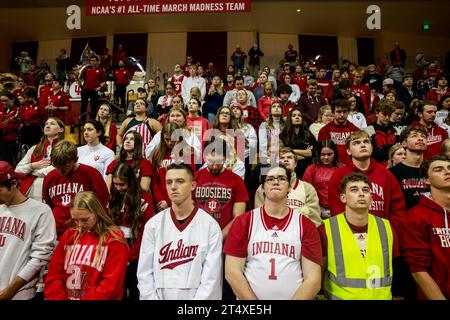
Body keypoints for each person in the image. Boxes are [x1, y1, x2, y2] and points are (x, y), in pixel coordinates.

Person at [224, 165, 322, 300]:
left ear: (289, 187)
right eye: (270, 179)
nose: (276, 182)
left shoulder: (305, 225)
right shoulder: (244, 221)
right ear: (263, 187)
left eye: (282, 178)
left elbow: (313, 279)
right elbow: (232, 272)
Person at [137, 163, 223, 300]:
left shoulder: (210, 226)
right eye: (169, 182)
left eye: (180, 181)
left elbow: (211, 280)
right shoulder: (153, 225)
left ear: (193, 185)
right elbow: (144, 274)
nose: (173, 187)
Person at [319, 173, 398, 300]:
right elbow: (319, 272)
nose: (361, 193)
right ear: (343, 198)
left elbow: (392, 268)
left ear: (371, 198)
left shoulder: (386, 227)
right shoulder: (327, 228)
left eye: (365, 190)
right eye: (354, 189)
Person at [44, 191, 129, 300]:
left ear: (97, 212)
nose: (80, 225)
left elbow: (110, 286)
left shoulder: (114, 239)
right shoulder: (69, 235)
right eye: (75, 220)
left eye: (84, 219)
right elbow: (54, 276)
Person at [0, 161, 56, 300]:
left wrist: (10, 290)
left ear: (13, 183)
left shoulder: (40, 211)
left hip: (19, 294)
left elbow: (40, 257)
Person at [327, 130, 405, 230]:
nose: (363, 145)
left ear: (371, 147)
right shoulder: (339, 175)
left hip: (381, 232)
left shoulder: (386, 174)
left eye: (366, 142)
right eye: (356, 143)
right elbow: (336, 207)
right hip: (349, 233)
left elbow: (398, 207)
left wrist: (391, 229)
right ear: (348, 151)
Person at [399, 155, 450, 299]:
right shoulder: (415, 217)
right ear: (426, 180)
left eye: (449, 168)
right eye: (439, 169)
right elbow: (418, 270)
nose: (447, 172)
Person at [42, 140, 110, 239]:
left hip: (86, 232)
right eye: (57, 166)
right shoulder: (50, 177)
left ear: (76, 159)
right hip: (57, 233)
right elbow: (48, 205)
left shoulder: (91, 174)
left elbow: (102, 204)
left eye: (65, 166)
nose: (61, 170)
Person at [109, 163, 154, 300]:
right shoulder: (113, 196)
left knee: (135, 287)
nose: (119, 188)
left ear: (131, 181)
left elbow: (146, 232)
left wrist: (130, 256)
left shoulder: (144, 198)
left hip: (137, 247)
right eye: (115, 184)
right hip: (116, 245)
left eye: (122, 184)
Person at [254, 147, 321, 226]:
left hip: (300, 233)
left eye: (289, 157)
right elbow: (259, 218)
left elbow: (315, 221)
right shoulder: (264, 187)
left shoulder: (308, 188)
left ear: (295, 164)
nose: (285, 160)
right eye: (282, 158)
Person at [195, 139, 248, 238]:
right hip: (197, 235)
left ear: (225, 158)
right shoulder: (194, 178)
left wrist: (219, 237)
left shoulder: (237, 181)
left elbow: (238, 217)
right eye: (211, 161)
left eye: (218, 161)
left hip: (225, 237)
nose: (215, 166)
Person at [15, 117, 65, 202]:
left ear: (61, 129)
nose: (48, 126)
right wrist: (33, 165)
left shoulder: (65, 148)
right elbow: (17, 170)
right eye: (46, 124)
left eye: (52, 124)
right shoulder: (34, 148)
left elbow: (59, 168)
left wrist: (32, 172)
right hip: (29, 190)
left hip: (53, 189)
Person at [389, 125, 429, 209]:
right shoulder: (392, 173)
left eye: (423, 136)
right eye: (414, 136)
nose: (420, 139)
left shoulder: (431, 170)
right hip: (404, 219)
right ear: (404, 143)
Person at [303, 140, 344, 219]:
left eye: (329, 154)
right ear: (318, 154)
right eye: (323, 154)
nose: (326, 157)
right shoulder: (311, 169)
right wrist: (320, 209)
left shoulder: (342, 168)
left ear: (335, 153)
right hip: (317, 210)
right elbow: (307, 193)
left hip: (340, 208)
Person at [318, 99, 359, 165]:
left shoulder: (355, 130)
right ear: (333, 112)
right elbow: (322, 153)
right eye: (339, 112)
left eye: (345, 111)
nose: (342, 115)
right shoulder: (325, 130)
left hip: (351, 166)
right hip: (332, 167)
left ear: (348, 112)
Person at [280, 108, 317, 179]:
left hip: (306, 168)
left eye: (299, 115)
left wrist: (292, 151)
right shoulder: (283, 135)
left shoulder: (308, 135)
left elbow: (312, 153)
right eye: (294, 115)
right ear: (290, 119)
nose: (297, 117)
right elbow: (282, 153)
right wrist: (304, 153)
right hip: (288, 169)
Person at [367, 101, 397, 166]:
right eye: (384, 114)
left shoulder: (395, 130)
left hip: (393, 165)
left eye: (389, 115)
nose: (387, 118)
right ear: (377, 113)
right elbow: (372, 152)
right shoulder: (369, 130)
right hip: (376, 166)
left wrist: (382, 148)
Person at [79, 56, 107, 123]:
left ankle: (92, 122)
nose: (92, 62)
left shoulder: (100, 70)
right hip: (85, 90)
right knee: (83, 106)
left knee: (93, 107)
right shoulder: (86, 69)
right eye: (91, 60)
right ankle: (82, 122)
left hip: (93, 91)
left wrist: (99, 88)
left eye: (94, 60)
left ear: (97, 61)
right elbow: (80, 76)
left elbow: (104, 81)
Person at [0, 91, 21, 165]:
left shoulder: (17, 110)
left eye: (6, 100)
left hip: (9, 140)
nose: (4, 103)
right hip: (1, 138)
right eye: (2, 101)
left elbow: (13, 125)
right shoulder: (3, 109)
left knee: (7, 162)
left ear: (12, 99)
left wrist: (2, 127)